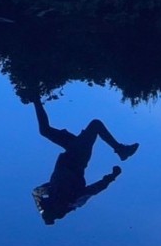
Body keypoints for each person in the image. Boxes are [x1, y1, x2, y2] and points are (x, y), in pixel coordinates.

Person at [30, 93, 139, 225]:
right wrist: (111, 176)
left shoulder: (52, 191)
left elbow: (35, 192)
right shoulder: (73, 200)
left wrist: (41, 210)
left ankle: (35, 98)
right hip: (78, 157)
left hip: (70, 151)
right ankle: (121, 150)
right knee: (95, 125)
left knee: (45, 130)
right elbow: (94, 189)